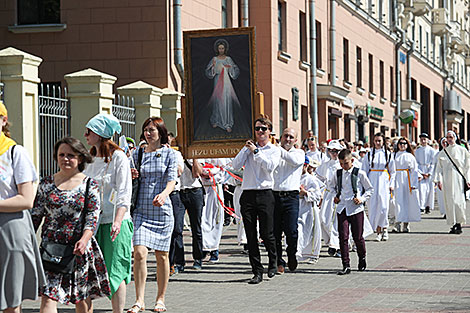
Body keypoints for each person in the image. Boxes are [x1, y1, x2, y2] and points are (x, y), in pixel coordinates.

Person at [32, 137, 110, 313]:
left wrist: (84, 239)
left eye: (70, 155)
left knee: (81, 298)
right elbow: (35, 216)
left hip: (78, 249)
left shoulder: (90, 185)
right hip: (51, 250)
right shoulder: (46, 184)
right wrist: (26, 242)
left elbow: (92, 216)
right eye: (61, 155)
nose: (65, 159)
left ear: (80, 158)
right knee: (48, 296)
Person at [82, 114, 133, 313]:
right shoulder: (88, 158)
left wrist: (118, 221)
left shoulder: (118, 157)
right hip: (92, 224)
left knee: (115, 271)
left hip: (114, 221)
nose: (85, 134)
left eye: (90, 131)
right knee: (88, 272)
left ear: (102, 134)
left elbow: (123, 192)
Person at [0, 102, 45, 313]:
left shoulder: (15, 153)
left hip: (11, 227)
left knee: (11, 298)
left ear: (3, 120)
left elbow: (27, 199)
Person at [128, 117, 177, 313]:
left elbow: (172, 180)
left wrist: (164, 195)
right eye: (146, 130)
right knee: (139, 253)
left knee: (162, 256)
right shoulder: (137, 153)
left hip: (162, 211)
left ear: (161, 132)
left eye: (152, 130)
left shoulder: (169, 154)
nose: (148, 133)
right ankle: (139, 299)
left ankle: (160, 298)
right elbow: (128, 177)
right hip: (141, 209)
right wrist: (131, 174)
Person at [232, 117, 281, 284]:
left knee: (267, 233)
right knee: (250, 235)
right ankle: (257, 271)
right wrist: (246, 150)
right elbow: (235, 165)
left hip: (265, 193)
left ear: (269, 132)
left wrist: (256, 152)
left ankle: (273, 261)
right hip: (248, 193)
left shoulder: (274, 150)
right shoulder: (248, 149)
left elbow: (269, 167)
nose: (260, 132)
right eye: (257, 129)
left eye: (263, 129)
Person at [329, 149, 373, 275]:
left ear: (352, 161)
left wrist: (362, 198)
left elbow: (369, 189)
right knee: (343, 237)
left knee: (358, 237)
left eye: (346, 163)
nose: (343, 166)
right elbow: (331, 186)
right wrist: (335, 195)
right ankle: (346, 264)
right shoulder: (337, 174)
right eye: (341, 163)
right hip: (342, 207)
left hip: (355, 208)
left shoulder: (359, 173)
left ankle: (362, 257)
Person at [273, 128, 305, 273]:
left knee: (291, 230)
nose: (288, 139)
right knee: (275, 232)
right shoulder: (276, 152)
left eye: (291, 137)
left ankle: (292, 254)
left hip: (291, 197)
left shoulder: (299, 153)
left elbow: (292, 161)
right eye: (285, 136)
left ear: (295, 140)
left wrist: (277, 149)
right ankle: (278, 260)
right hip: (275, 195)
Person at [361, 132, 396, 242]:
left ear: (383, 142)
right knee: (373, 206)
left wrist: (391, 184)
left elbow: (393, 171)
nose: (377, 143)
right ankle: (377, 230)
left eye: (379, 141)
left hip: (383, 180)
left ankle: (385, 228)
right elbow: (364, 170)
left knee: (384, 206)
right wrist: (364, 185)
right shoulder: (369, 154)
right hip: (372, 180)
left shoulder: (388, 154)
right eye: (375, 141)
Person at [434, 130, 470, 234]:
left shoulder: (462, 151)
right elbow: (438, 168)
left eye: (451, 137)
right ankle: (453, 223)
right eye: (447, 137)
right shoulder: (443, 152)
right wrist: (438, 180)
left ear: (455, 138)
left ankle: (459, 223)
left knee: (458, 202)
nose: (449, 139)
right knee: (449, 202)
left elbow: (467, 167)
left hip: (458, 180)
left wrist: (467, 179)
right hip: (447, 181)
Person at [205, 39, 240, 133]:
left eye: (222, 48)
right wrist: (213, 67)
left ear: (225, 49)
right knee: (218, 100)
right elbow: (208, 71)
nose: (221, 50)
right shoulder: (214, 59)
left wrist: (230, 68)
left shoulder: (228, 59)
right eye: (219, 48)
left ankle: (227, 123)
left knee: (226, 101)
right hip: (217, 81)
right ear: (217, 49)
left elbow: (234, 69)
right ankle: (217, 120)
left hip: (226, 81)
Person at [316, 140, 343, 257]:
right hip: (328, 195)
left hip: (339, 195)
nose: (334, 153)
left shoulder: (342, 164)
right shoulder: (326, 165)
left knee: (336, 221)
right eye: (332, 151)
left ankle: (336, 245)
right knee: (324, 219)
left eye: (336, 151)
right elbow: (319, 180)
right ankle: (330, 242)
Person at [179, 157, 205, 270]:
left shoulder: (196, 153)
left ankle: (198, 258)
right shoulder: (174, 153)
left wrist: (193, 158)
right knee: (177, 228)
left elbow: (197, 173)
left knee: (196, 227)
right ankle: (179, 261)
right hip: (179, 191)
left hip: (195, 191)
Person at [296, 156, 324, 265]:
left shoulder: (311, 179)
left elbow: (317, 195)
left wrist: (305, 193)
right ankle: (296, 252)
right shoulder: (294, 177)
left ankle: (313, 254)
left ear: (306, 166)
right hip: (296, 206)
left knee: (311, 232)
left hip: (308, 208)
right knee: (297, 230)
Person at [392, 138, 421, 233]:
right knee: (397, 201)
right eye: (400, 143)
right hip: (397, 178)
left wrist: (413, 183)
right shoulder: (394, 155)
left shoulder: (410, 156)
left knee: (407, 201)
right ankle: (397, 223)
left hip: (407, 179)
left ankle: (406, 223)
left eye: (404, 143)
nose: (402, 145)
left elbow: (414, 171)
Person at [415, 133, 436, 214]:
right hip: (421, 170)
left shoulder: (431, 150)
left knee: (430, 190)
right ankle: (421, 206)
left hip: (428, 170)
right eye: (422, 139)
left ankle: (428, 206)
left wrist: (429, 173)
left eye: (425, 139)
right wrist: (421, 173)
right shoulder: (417, 151)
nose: (423, 141)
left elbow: (433, 162)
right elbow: (416, 162)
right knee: (421, 190)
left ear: (428, 140)